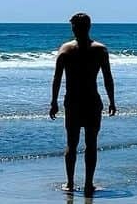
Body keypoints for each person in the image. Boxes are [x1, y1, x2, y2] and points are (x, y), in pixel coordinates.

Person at [49, 12, 116, 194]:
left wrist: (53, 102)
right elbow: (108, 78)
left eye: (73, 26)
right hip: (91, 101)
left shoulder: (66, 49)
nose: (73, 29)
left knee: (73, 143)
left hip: (74, 101)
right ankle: (87, 184)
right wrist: (112, 101)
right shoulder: (99, 50)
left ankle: (71, 183)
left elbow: (57, 79)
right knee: (89, 143)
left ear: (76, 27)